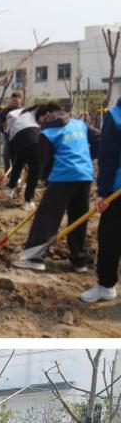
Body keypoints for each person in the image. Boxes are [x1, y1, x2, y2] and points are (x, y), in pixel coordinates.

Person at [12, 104, 96, 273]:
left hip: (63, 177)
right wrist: (87, 156)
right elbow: (99, 138)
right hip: (85, 175)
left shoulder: (47, 133)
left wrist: (46, 179)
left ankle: (34, 257)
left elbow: (45, 162)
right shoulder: (79, 124)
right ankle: (79, 260)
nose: (40, 123)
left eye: (40, 119)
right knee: (78, 218)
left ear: (47, 115)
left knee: (46, 217)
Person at [79, 95, 121, 304]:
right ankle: (106, 285)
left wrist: (103, 192)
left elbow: (107, 156)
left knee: (110, 238)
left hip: (116, 192)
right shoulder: (116, 117)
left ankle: (106, 285)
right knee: (110, 238)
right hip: (117, 190)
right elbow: (108, 156)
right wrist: (104, 192)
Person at [4, 104, 41, 212]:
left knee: (17, 165)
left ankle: (10, 189)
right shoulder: (29, 115)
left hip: (21, 142)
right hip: (34, 141)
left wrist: (15, 159)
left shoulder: (14, 116)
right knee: (34, 173)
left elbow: (11, 143)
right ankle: (28, 201)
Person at [0, 92, 23, 178]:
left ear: (20, 100)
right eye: (14, 100)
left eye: (17, 100)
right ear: (11, 101)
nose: (15, 102)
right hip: (8, 136)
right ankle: (8, 174)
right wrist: (3, 125)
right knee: (6, 155)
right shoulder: (6, 111)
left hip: (20, 137)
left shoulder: (24, 111)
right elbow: (0, 122)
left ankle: (17, 175)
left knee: (17, 157)